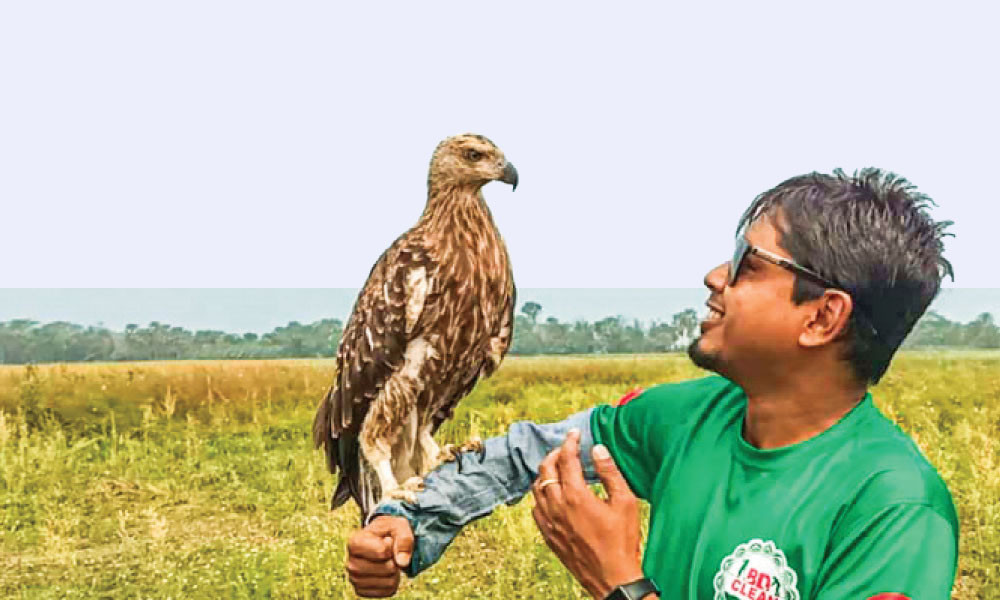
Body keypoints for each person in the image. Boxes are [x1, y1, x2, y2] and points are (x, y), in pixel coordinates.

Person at [343, 169, 959, 600]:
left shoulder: (893, 510)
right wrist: (408, 520)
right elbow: (525, 454)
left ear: (823, 316)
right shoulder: (683, 417)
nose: (715, 276)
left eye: (747, 262)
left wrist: (621, 586)